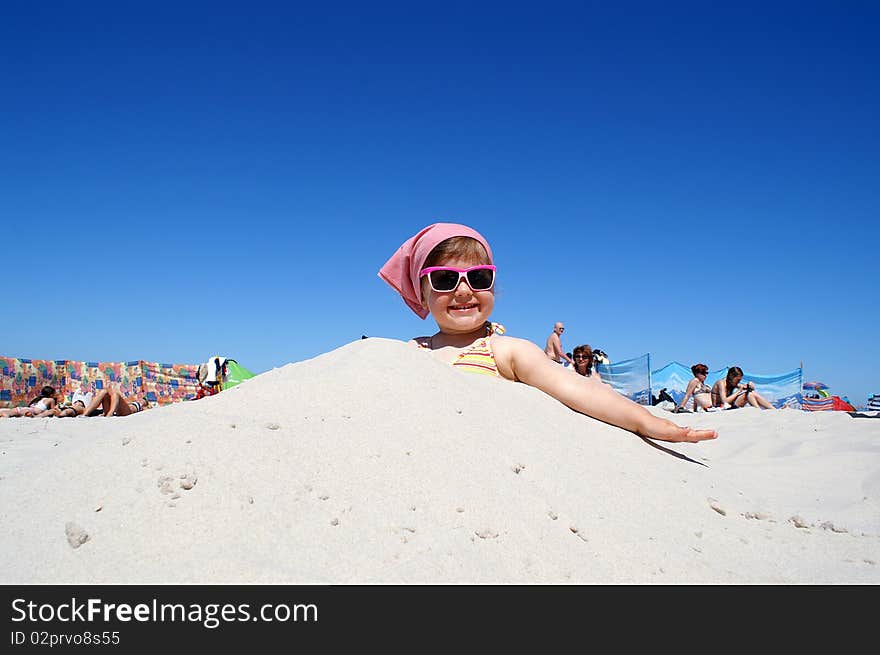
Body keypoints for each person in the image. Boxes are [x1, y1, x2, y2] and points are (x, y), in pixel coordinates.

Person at [378, 223, 717, 443]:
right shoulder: (413, 351)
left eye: (479, 278)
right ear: (420, 292)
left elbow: (577, 389)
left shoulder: (505, 350)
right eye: (444, 279)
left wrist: (646, 422)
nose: (464, 290)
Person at [712, 366, 776, 410]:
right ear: (731, 377)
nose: (738, 382)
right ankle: (758, 411)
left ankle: (772, 409)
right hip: (721, 407)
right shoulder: (721, 383)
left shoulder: (732, 383)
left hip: (729, 406)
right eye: (737, 380)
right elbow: (724, 401)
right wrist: (739, 391)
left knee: (750, 393)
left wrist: (750, 385)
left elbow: (744, 387)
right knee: (748, 394)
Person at [79, 388, 150, 417]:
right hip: (116, 410)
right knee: (104, 391)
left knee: (116, 395)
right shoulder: (131, 400)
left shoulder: (144, 407)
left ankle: (109, 415)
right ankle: (85, 414)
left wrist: (145, 405)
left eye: (144, 399)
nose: (141, 399)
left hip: (126, 412)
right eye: (142, 398)